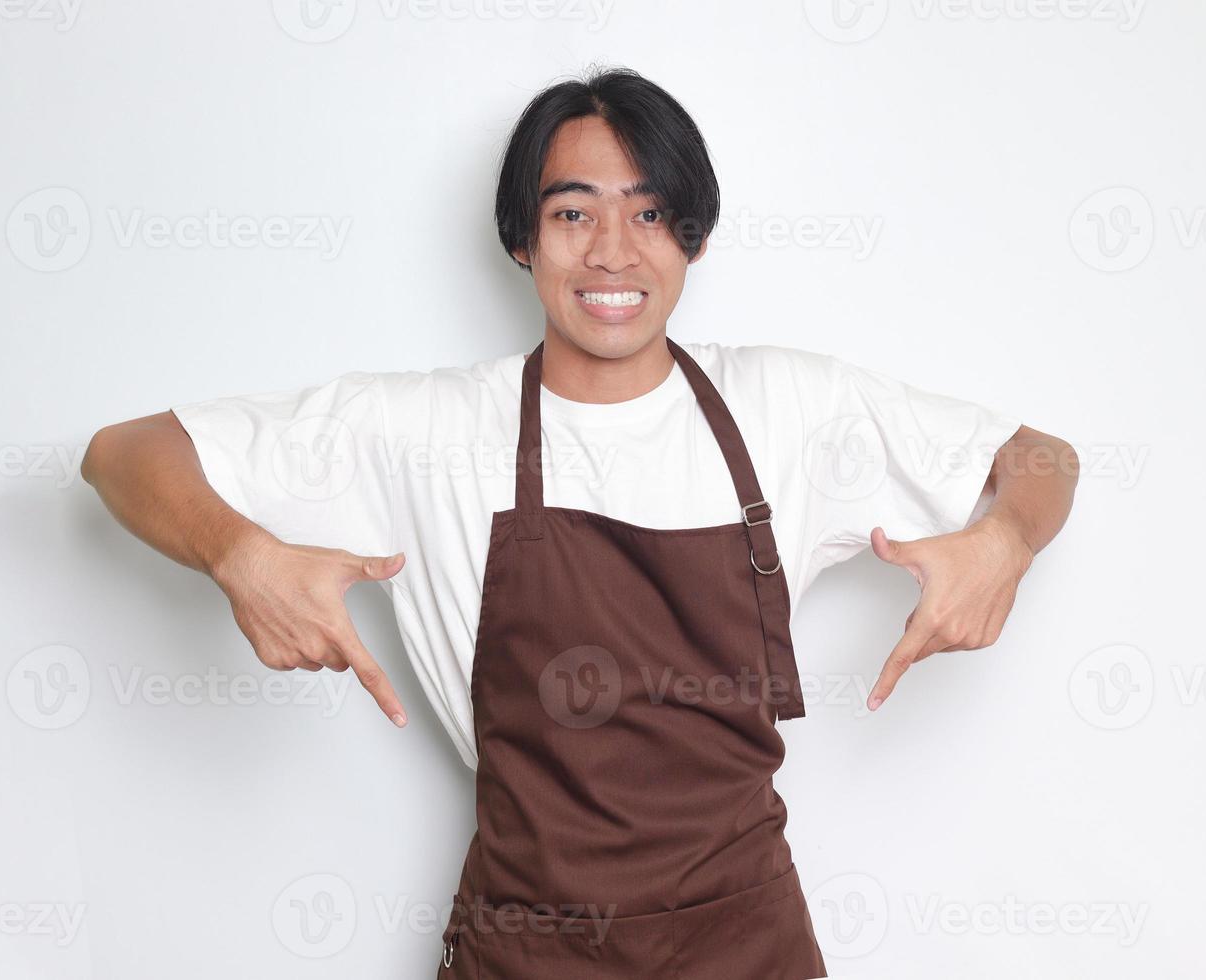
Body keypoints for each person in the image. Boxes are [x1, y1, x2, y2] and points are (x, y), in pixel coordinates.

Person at [81, 65, 1077, 979]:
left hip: (747, 944)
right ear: (521, 236)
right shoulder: (421, 428)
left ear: (692, 235)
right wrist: (239, 553)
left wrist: (1006, 539)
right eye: (574, 212)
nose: (613, 250)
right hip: (525, 953)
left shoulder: (789, 407)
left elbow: (1039, 455)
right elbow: (121, 452)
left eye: (651, 212)